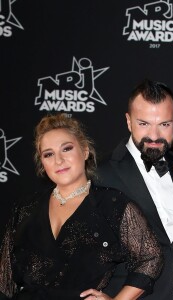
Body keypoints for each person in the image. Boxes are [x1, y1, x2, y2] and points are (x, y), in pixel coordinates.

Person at [0, 113, 163, 300]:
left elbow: (151, 257)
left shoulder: (112, 204)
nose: (58, 160)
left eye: (66, 149)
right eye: (48, 154)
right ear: (42, 162)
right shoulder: (25, 208)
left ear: (85, 151)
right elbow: (5, 280)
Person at [97, 79, 173, 300]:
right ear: (128, 121)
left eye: (164, 124)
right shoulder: (101, 174)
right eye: (144, 124)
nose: (154, 136)